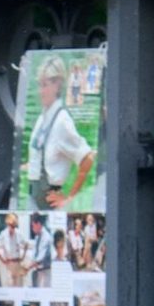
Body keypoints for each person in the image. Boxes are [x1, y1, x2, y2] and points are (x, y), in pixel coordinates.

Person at [23, 53, 95, 208]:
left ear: (57, 85)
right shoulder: (43, 117)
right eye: (39, 85)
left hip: (47, 200)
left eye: (45, 85)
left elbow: (87, 158)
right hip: (32, 196)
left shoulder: (61, 121)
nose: (40, 91)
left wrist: (69, 198)